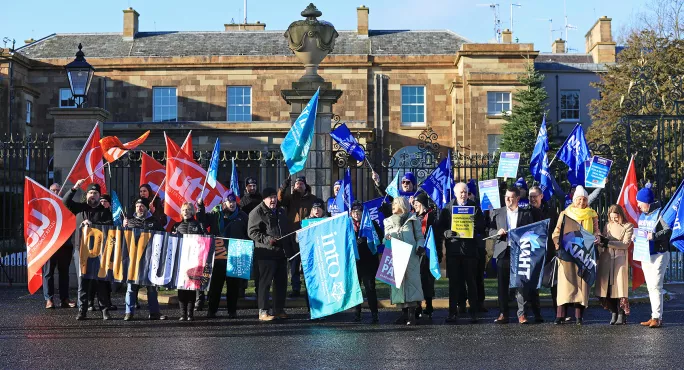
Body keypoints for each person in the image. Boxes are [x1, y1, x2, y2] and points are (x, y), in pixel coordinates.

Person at [62, 180, 114, 320]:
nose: (93, 195)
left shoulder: (105, 212)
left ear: (99, 196)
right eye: (90, 193)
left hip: (100, 252)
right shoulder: (80, 208)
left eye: (95, 193)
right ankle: (82, 310)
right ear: (87, 195)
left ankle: (104, 310)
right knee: (82, 282)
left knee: (101, 282)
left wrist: (93, 225)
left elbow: (109, 225)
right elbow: (65, 202)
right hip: (81, 250)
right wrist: (75, 187)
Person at [551, 185, 600, 325]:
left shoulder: (592, 214)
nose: (581, 202)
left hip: (584, 254)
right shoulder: (565, 213)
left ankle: (579, 316)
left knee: (581, 284)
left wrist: (597, 237)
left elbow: (597, 232)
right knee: (565, 285)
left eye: (584, 199)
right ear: (574, 199)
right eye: (579, 199)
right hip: (567, 253)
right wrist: (556, 242)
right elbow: (557, 231)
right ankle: (560, 316)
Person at [488, 187, 536, 324]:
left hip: (520, 251)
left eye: (511, 198)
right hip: (503, 251)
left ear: (517, 199)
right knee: (502, 285)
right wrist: (497, 232)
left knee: (521, 284)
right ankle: (503, 313)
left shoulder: (525, 214)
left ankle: (522, 314)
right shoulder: (498, 213)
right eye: (506, 197)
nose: (508, 200)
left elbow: (531, 232)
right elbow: (490, 230)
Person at [439, 182, 485, 324]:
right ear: (455, 193)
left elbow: (482, 226)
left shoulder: (475, 207)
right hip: (453, 251)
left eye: (465, 192)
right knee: (454, 284)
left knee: (471, 283)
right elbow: (440, 227)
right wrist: (447, 232)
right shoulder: (448, 208)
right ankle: (452, 313)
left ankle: (473, 313)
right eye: (461, 192)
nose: (464, 194)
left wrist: (473, 225)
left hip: (470, 251)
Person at [200, 190, 249, 319]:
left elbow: (248, 232)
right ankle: (212, 310)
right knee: (216, 285)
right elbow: (203, 222)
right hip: (219, 252)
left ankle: (232, 311)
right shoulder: (216, 214)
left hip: (235, 253)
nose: (232, 204)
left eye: (233, 201)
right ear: (224, 202)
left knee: (233, 286)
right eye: (229, 201)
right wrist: (200, 208)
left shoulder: (242, 216)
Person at [248, 187, 293, 321]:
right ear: (264, 199)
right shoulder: (257, 212)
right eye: (270, 197)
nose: (273, 200)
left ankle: (278, 309)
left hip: (281, 253)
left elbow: (285, 228)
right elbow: (252, 232)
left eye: (274, 197)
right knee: (265, 283)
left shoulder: (280, 211)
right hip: (265, 252)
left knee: (281, 283)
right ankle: (263, 311)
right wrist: (268, 240)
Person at [122, 198, 168, 321]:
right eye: (137, 206)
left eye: (142, 206)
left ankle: (154, 313)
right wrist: (123, 227)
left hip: (150, 260)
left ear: (147, 208)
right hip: (133, 260)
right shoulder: (130, 221)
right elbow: (122, 239)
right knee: (131, 288)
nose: (139, 208)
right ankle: (129, 312)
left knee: (152, 288)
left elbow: (163, 236)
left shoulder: (154, 221)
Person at [384, 197, 425, 326]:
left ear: (403, 205)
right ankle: (403, 313)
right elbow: (385, 238)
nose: (393, 206)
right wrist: (388, 237)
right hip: (396, 255)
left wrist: (419, 246)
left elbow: (419, 237)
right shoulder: (388, 221)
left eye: (396, 203)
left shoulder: (413, 220)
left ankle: (412, 315)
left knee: (412, 284)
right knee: (399, 285)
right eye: (393, 204)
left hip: (411, 256)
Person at [636, 183, 672, 328]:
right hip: (646, 254)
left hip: (660, 253)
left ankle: (657, 318)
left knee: (656, 285)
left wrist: (654, 236)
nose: (638, 206)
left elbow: (668, 231)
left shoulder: (660, 214)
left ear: (646, 202)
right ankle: (654, 316)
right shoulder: (644, 215)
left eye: (639, 203)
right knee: (651, 287)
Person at [278, 175, 316, 298]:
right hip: (292, 234)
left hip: (307, 235)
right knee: (294, 263)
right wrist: (284, 185)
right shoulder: (290, 198)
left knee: (309, 263)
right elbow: (279, 200)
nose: (299, 186)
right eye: (297, 184)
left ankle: (310, 288)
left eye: (301, 184)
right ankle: (295, 288)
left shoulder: (313, 199)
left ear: (305, 186)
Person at [595, 205, 633, 325]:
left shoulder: (628, 226)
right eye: (612, 218)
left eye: (616, 218)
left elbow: (625, 244)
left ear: (620, 215)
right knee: (607, 287)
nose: (614, 220)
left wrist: (607, 242)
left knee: (620, 287)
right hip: (607, 257)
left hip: (620, 259)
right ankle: (613, 312)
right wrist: (600, 241)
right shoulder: (608, 225)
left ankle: (621, 314)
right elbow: (604, 240)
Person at [42, 183, 76, 309]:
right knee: (48, 273)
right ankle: (49, 299)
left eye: (58, 190)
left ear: (62, 192)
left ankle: (64, 299)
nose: (56, 192)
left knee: (64, 273)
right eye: (53, 190)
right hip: (49, 246)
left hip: (65, 245)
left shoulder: (67, 205)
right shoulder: (45, 205)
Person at [171, 202, 206, 321]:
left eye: (188, 209)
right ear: (181, 212)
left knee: (191, 287)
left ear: (192, 212)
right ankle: (182, 314)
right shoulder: (176, 226)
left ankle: (190, 314)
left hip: (194, 261)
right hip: (181, 261)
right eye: (184, 210)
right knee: (181, 288)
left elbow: (205, 241)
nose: (186, 212)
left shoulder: (199, 225)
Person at [350, 200, 382, 324]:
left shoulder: (371, 223)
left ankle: (374, 314)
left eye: (359, 212)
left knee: (370, 288)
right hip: (355, 262)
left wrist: (366, 238)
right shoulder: (348, 225)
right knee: (356, 289)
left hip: (368, 262)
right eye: (354, 212)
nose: (356, 214)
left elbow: (379, 237)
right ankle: (357, 313)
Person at [412, 193, 442, 319]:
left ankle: (429, 306)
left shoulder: (431, 217)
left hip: (428, 253)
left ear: (423, 205)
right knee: (416, 280)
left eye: (418, 204)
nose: (415, 206)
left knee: (427, 281)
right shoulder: (413, 217)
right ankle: (417, 307)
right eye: (414, 204)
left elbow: (437, 235)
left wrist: (439, 253)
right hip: (416, 253)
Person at [528, 185, 559, 309]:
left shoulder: (551, 211)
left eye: (535, 196)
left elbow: (557, 230)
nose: (532, 199)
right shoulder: (525, 211)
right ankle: (537, 314)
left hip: (549, 252)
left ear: (541, 196)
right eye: (530, 196)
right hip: (533, 252)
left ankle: (559, 312)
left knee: (554, 283)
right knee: (533, 285)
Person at [239, 176, 262, 298]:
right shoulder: (242, 201)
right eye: (250, 186)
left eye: (254, 186)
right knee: (244, 263)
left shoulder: (261, 199)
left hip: (259, 235)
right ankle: (242, 289)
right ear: (246, 187)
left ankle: (259, 289)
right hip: (246, 235)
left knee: (258, 264)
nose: (252, 188)